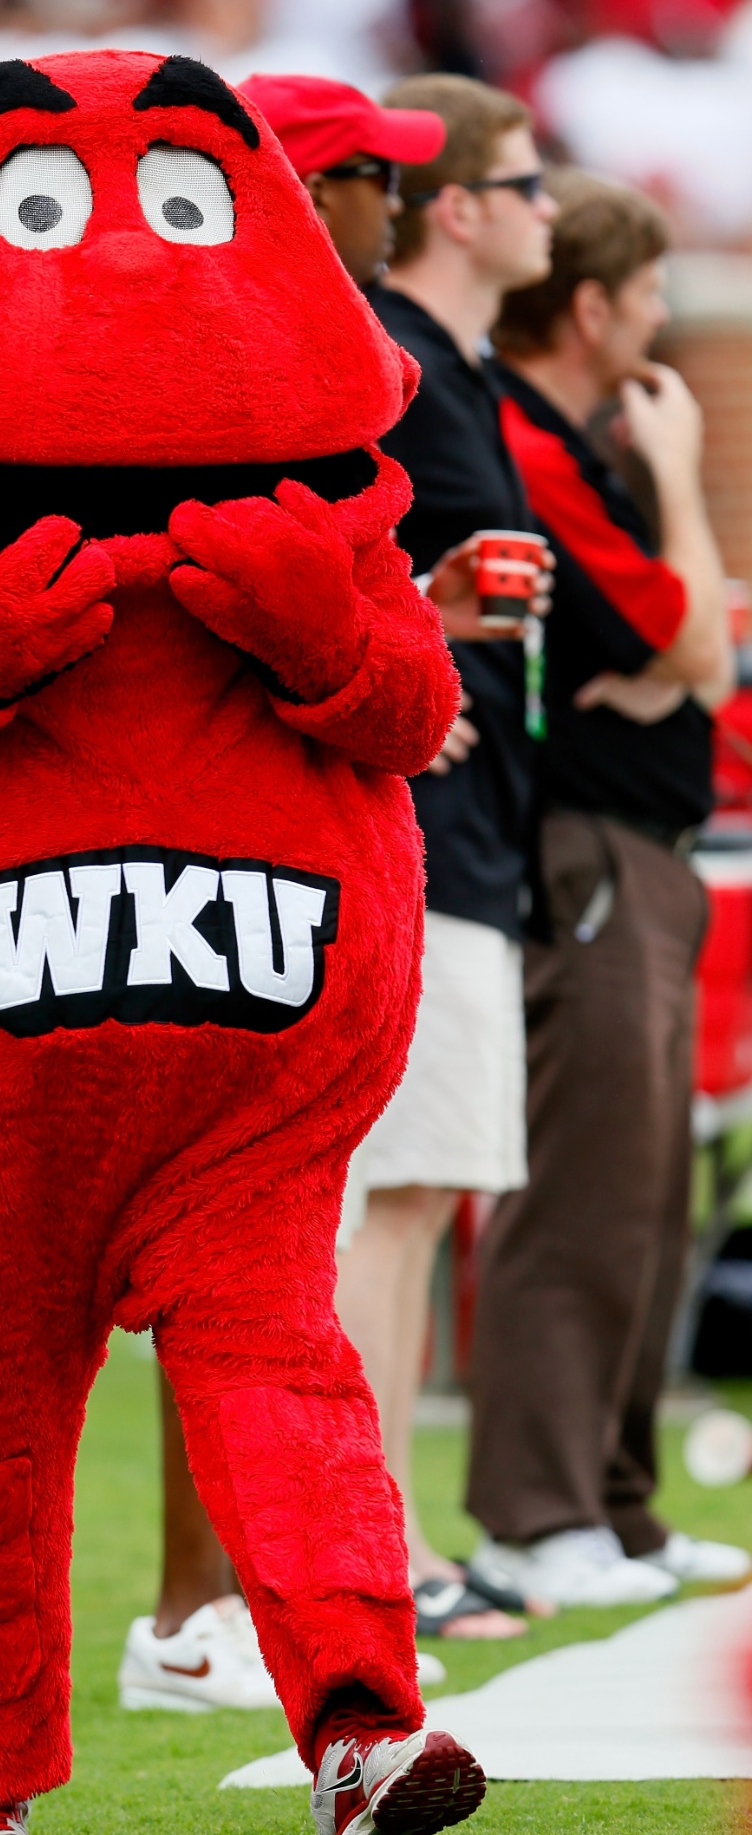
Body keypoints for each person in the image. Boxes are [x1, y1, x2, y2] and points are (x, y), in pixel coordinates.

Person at [0, 50, 485, 1835]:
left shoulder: (328, 517)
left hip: (239, 1063)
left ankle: (359, 1725)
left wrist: (328, 640)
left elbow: (410, 712)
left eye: (178, 207)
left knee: (281, 1373)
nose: (121, 265)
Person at [118, 69, 454, 1714]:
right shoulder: (215, 377)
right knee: (208, 1286)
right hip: (170, 890)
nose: (394, 208)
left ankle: (252, 1610)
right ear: (304, 195)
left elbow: (400, 686)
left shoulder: (343, 376)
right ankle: (190, 1614)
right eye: (371, 182)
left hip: (287, 873)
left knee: (254, 1286)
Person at [465, 169, 751, 1605]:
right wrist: (686, 481)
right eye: (642, 302)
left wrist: (665, 659)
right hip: (579, 848)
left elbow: (673, 658)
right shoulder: (525, 436)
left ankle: (617, 1506)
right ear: (590, 305)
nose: (652, 336)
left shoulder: (570, 439)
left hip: (638, 845)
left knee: (642, 1183)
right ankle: (533, 1510)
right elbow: (687, 639)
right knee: (579, 1182)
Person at [339, 73, 560, 1643]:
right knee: (394, 1200)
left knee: (423, 1194)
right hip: (419, 824)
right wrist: (407, 651)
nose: (545, 207)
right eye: (527, 184)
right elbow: (315, 572)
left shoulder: (457, 370)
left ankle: (389, 1539)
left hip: (478, 825)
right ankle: (376, 1545)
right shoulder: (392, 365)